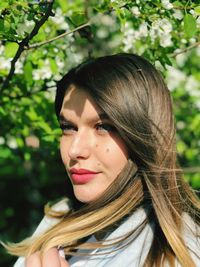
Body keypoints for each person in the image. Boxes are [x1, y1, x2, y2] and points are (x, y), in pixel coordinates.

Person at [4, 53, 200, 266]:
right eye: (68, 128)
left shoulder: (172, 255)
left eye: (104, 127)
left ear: (143, 136)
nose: (75, 150)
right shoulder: (60, 217)